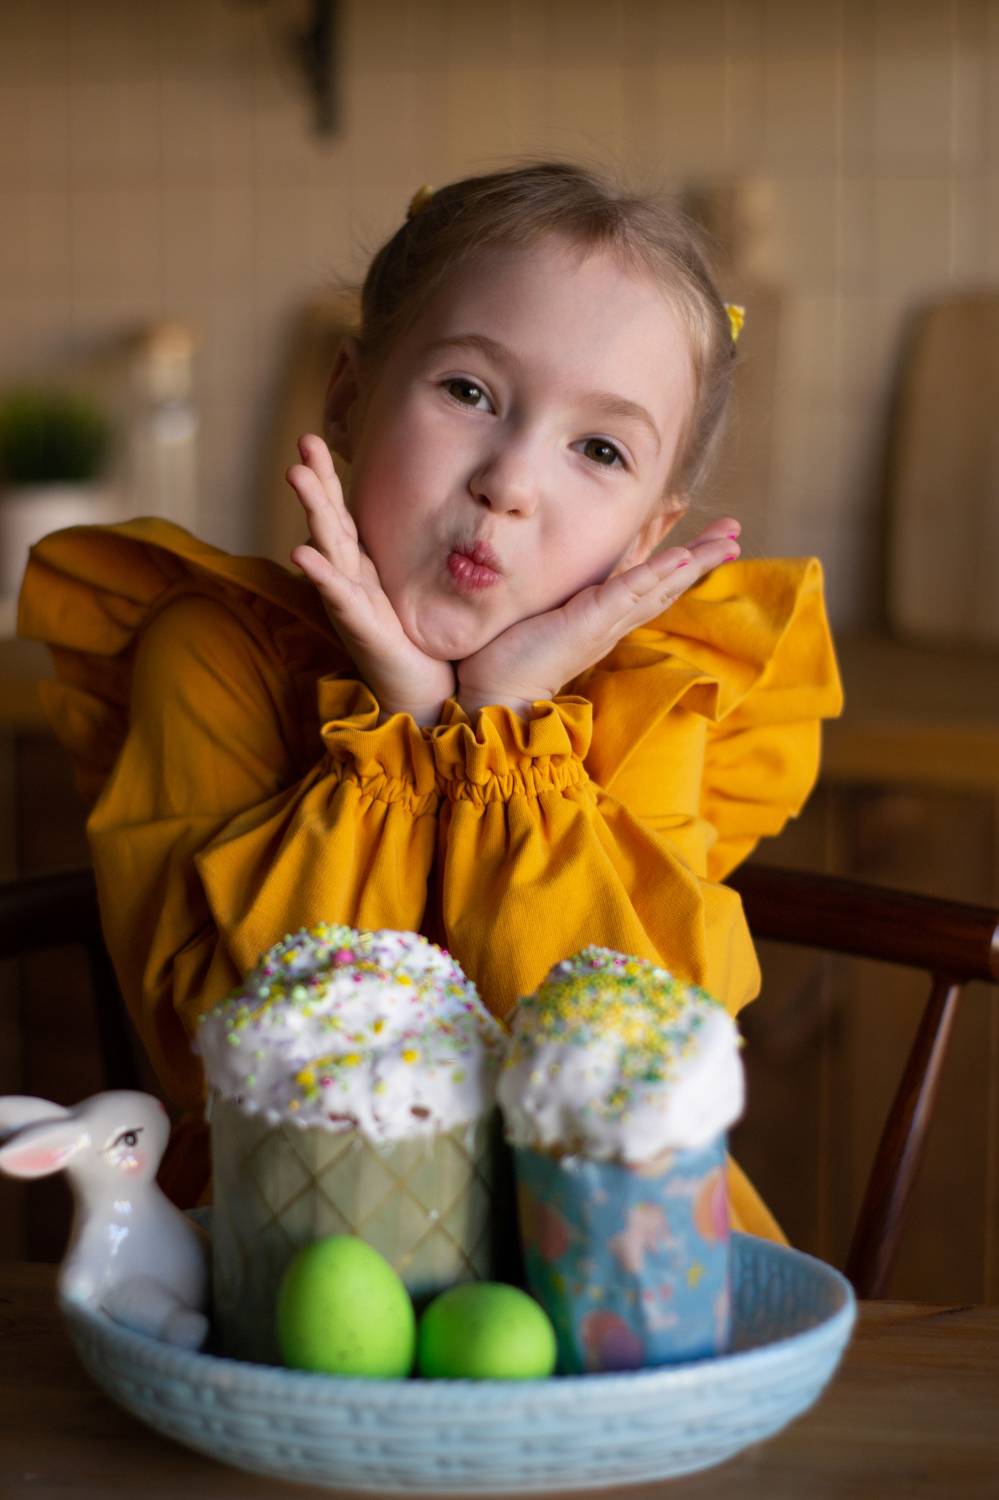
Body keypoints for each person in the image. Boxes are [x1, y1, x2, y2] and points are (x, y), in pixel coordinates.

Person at [18, 161, 842, 1236]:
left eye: (599, 449)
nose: (510, 482)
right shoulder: (215, 653)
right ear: (349, 399)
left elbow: (624, 1082)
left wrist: (501, 723)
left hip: (606, 1255)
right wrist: (406, 730)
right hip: (294, 1243)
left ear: (645, 536)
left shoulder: (653, 696)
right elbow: (234, 1051)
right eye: (469, 392)